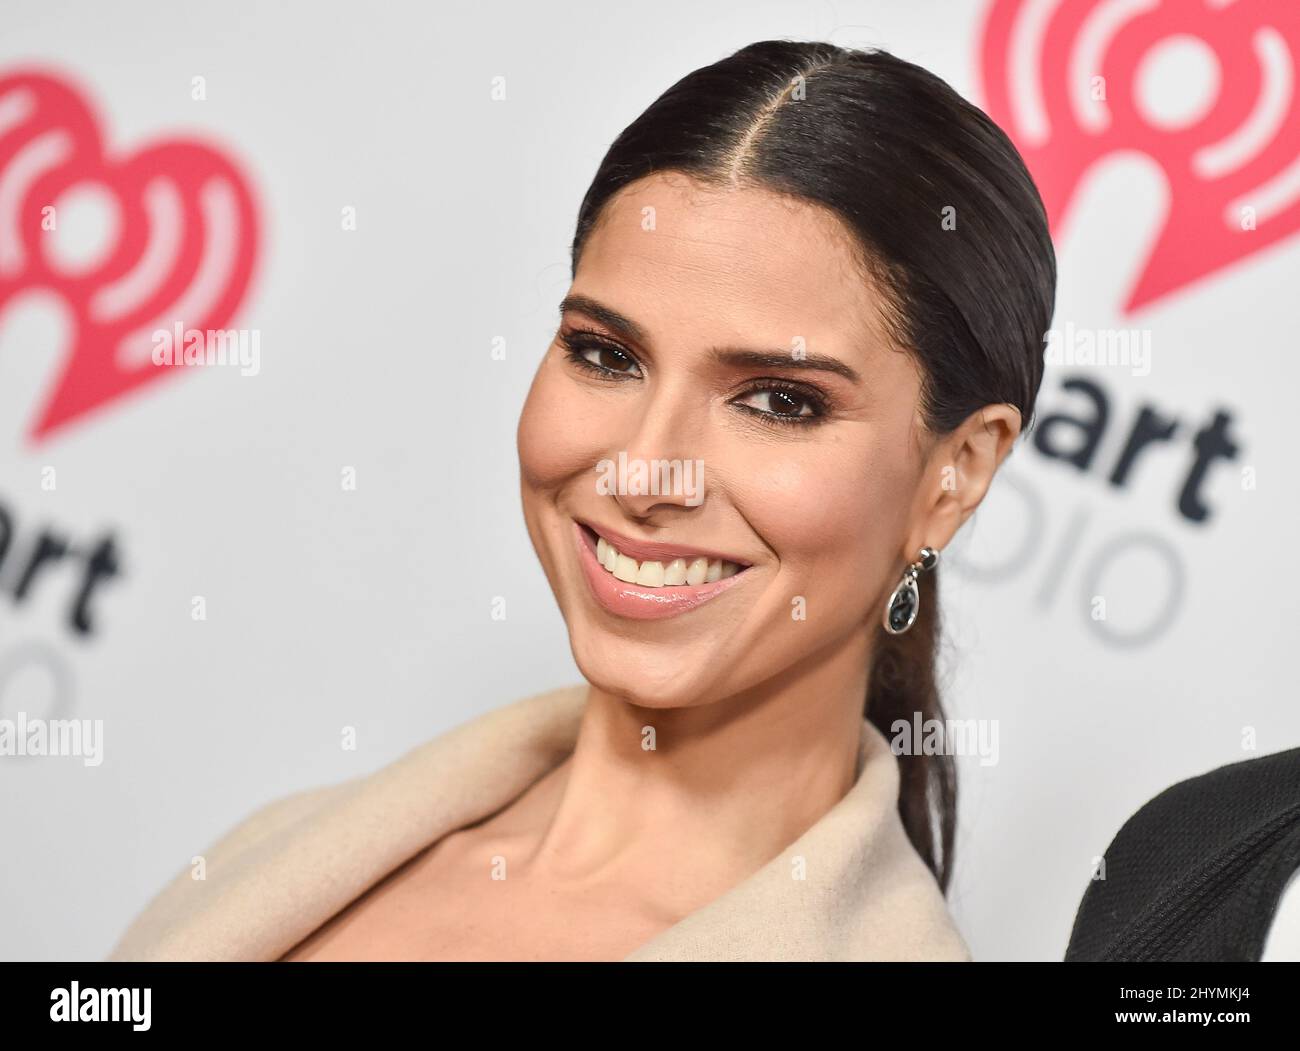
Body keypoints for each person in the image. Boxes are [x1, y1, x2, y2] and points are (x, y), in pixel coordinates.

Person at [107, 39, 1056, 962]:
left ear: (957, 472)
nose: (644, 469)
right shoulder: (288, 848)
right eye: (607, 355)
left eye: (779, 401)